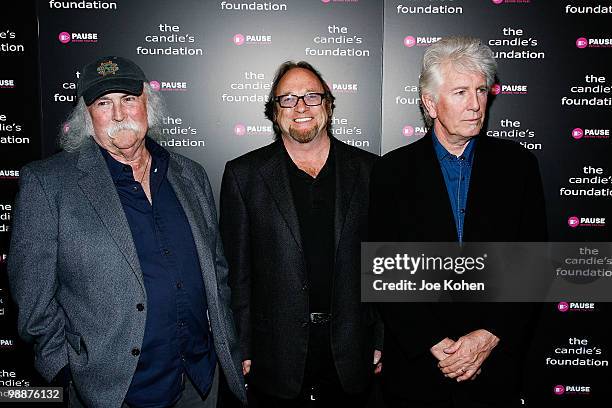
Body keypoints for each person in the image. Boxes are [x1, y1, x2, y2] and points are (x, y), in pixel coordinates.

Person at [8, 56, 246, 407]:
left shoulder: (190, 175)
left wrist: (228, 344)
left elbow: (217, 270)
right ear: (86, 117)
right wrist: (67, 370)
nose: (119, 114)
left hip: (198, 382)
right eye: (104, 103)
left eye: (128, 99)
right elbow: (33, 300)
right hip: (112, 390)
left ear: (147, 104)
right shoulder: (48, 184)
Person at [369, 37, 547, 407]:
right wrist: (437, 345)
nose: (475, 104)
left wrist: (488, 337)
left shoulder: (518, 166)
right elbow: (383, 272)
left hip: (495, 369)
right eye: (461, 91)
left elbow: (533, 266)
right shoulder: (391, 172)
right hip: (418, 371)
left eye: (481, 90)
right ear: (430, 103)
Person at [220, 61, 382, 407]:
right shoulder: (243, 176)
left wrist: (381, 337)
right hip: (276, 355)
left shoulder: (372, 171)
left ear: (329, 104)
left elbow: (383, 261)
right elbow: (238, 274)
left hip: (353, 351)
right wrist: (243, 347)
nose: (301, 108)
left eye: (311, 96)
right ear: (274, 111)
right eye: (288, 99)